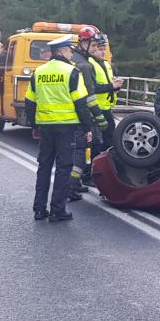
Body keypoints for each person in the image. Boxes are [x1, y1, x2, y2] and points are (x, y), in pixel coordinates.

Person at [25, 35, 98, 222]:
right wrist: (88, 126)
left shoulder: (38, 72)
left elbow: (30, 102)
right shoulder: (72, 72)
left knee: (44, 167)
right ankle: (58, 209)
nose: (72, 54)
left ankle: (39, 209)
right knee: (64, 168)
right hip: (67, 127)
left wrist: (34, 124)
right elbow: (81, 103)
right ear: (63, 51)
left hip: (46, 128)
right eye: (70, 51)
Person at [71, 26, 109, 196]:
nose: (96, 49)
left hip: (70, 115)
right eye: (93, 45)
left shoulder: (73, 59)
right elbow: (89, 96)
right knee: (85, 148)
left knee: (77, 151)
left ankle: (75, 182)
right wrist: (100, 119)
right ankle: (77, 182)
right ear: (84, 43)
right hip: (82, 115)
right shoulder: (84, 65)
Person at [88, 33, 121, 154]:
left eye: (104, 50)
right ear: (94, 49)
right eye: (100, 49)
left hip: (107, 108)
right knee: (97, 142)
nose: (103, 52)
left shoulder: (107, 64)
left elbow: (109, 85)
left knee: (110, 140)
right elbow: (92, 88)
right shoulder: (90, 64)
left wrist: (116, 87)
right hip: (95, 109)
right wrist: (111, 86)